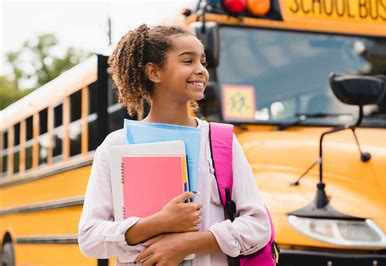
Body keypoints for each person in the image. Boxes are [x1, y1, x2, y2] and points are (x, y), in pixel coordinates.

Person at [78, 24, 271, 266]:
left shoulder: (220, 140)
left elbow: (258, 225)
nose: (201, 70)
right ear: (154, 73)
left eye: (202, 61)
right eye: (188, 61)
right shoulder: (116, 145)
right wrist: (158, 222)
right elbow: (89, 238)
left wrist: (188, 243)